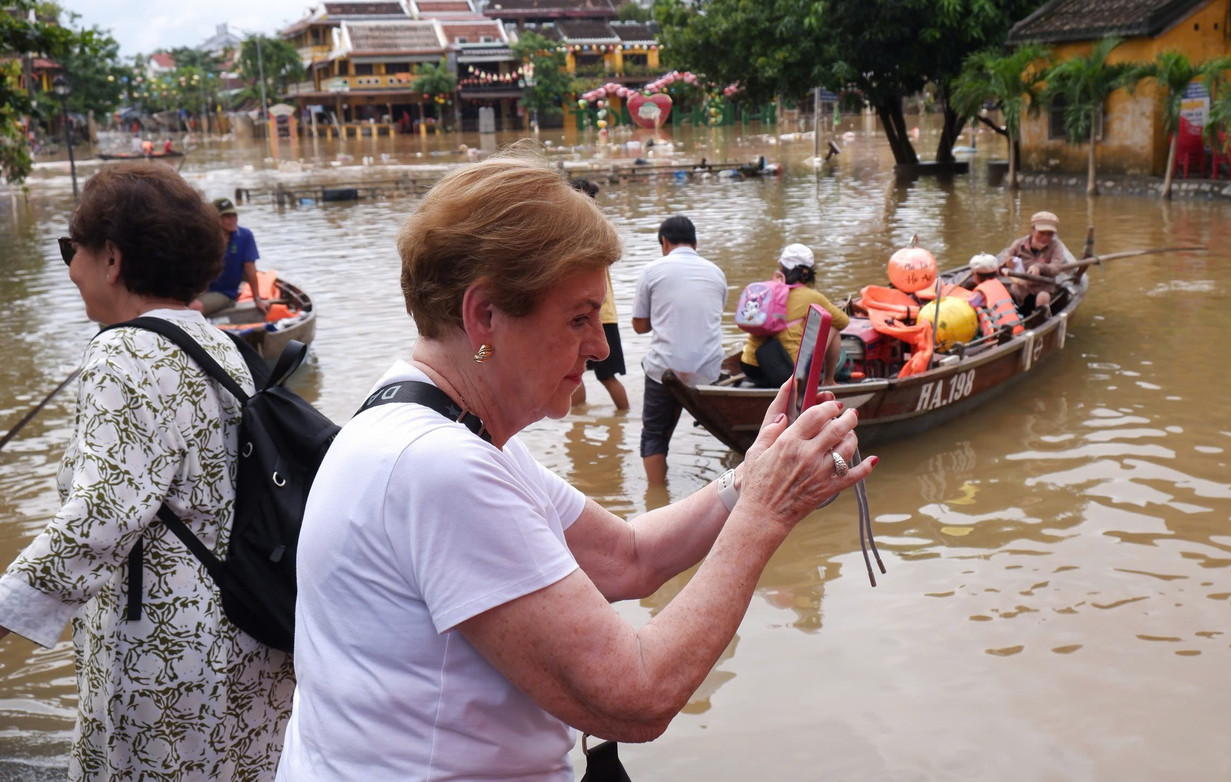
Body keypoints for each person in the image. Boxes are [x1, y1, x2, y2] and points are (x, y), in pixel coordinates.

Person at [275, 151, 876, 780]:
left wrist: (750, 476)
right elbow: (635, 697)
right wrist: (765, 513)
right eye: (579, 318)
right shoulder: (441, 468)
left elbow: (628, 558)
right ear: (485, 315)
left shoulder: (427, 420)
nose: (597, 346)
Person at [0, 163, 295, 779]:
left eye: (69, 251)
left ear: (111, 259)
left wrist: (7, 611)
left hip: (163, 656)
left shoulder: (123, 349)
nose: (72, 269)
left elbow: (105, 510)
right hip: (246, 637)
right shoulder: (220, 347)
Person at [631, 215, 728, 484]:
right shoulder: (716, 272)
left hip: (664, 370)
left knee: (653, 435)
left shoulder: (652, 270)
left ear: (664, 242)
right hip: (707, 372)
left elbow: (639, 326)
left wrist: (662, 316)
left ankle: (657, 496)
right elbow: (711, 316)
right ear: (695, 243)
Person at [739, 243, 850, 389]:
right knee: (833, 329)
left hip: (749, 366)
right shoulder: (812, 296)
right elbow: (843, 321)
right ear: (809, 272)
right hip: (783, 370)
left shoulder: (766, 291)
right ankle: (828, 381)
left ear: (780, 266)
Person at [568, 177, 629, 410]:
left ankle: (617, 421)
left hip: (596, 315)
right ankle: (615, 424)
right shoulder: (601, 229)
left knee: (592, 375)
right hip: (600, 314)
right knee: (580, 375)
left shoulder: (586, 232)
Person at [194, 197, 270, 316]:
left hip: (224, 293)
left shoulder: (245, 236)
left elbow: (250, 269)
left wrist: (257, 299)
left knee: (194, 308)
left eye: (234, 215)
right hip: (200, 290)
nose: (233, 219)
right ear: (216, 219)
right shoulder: (205, 237)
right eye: (227, 216)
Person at [995, 210, 1076, 315]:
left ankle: (1042, 319)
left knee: (1042, 299)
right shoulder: (1019, 244)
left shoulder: (1056, 246)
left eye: (1050, 234)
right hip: (1020, 288)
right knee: (1004, 299)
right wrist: (1007, 263)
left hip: (1043, 287)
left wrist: (1039, 267)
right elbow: (1005, 258)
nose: (1045, 237)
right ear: (1032, 230)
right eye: (1041, 233)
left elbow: (1056, 267)